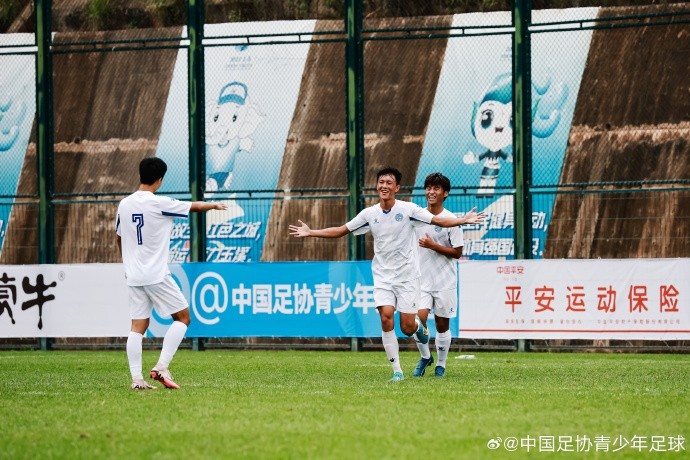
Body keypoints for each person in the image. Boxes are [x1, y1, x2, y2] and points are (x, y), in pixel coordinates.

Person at [289, 167, 485, 381]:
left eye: (389, 183)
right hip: (383, 277)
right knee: (386, 318)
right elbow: (341, 230)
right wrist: (311, 232)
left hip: (408, 277)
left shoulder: (409, 210)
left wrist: (462, 220)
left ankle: (425, 340)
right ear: (377, 185)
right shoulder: (369, 214)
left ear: (397, 187)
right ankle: (397, 371)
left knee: (408, 327)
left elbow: (439, 221)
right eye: (381, 182)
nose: (384, 186)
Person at [116, 157, 227, 390]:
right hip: (156, 274)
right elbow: (193, 207)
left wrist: (126, 264)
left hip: (134, 275)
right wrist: (214, 205)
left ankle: (137, 380)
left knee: (137, 327)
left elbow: (119, 236)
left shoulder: (124, 204)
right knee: (183, 317)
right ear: (159, 179)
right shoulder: (159, 203)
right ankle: (161, 367)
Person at [412, 173, 464, 378]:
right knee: (416, 322)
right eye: (428, 188)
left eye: (436, 189)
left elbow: (457, 253)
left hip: (445, 281)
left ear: (445, 193)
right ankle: (426, 357)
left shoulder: (452, 220)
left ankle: (441, 364)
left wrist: (433, 245)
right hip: (421, 282)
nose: (431, 192)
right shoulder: (416, 217)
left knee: (443, 326)